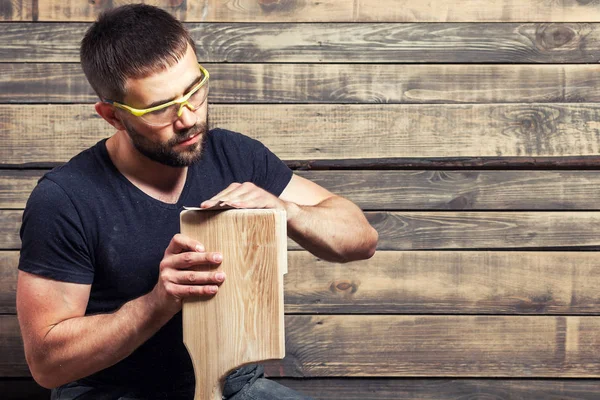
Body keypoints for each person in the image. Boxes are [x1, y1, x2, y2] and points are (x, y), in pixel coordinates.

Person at [16, 4, 378, 400]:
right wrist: (158, 302)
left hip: (233, 385)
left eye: (194, 91)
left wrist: (285, 210)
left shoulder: (235, 155)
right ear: (113, 117)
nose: (188, 118)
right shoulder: (65, 199)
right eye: (159, 108)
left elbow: (361, 239)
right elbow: (47, 366)